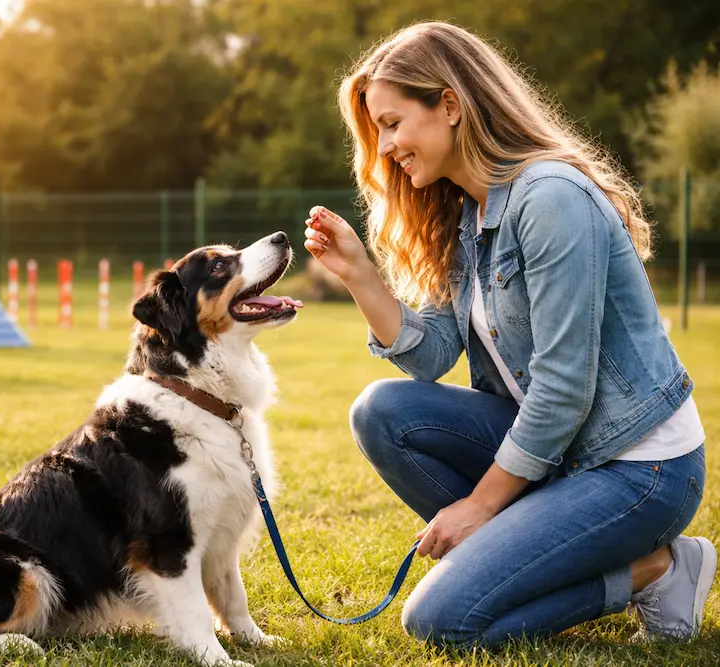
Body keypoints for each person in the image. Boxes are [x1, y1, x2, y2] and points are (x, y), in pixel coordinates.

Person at [303, 20, 714, 648]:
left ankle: (655, 568)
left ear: (449, 106)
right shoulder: (470, 210)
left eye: (392, 123)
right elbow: (432, 355)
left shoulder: (549, 199)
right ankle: (530, 557)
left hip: (639, 468)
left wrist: (481, 507)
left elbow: (562, 391)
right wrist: (361, 277)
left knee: (440, 621)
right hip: (565, 457)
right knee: (381, 412)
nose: (384, 147)